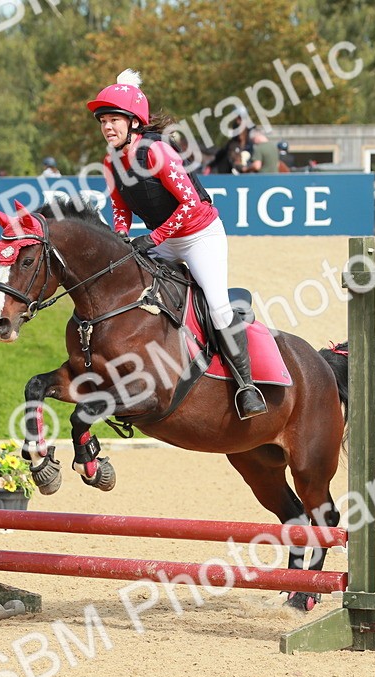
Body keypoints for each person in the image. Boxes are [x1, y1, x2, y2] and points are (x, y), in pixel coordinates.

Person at [87, 68, 267, 419]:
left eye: (114, 120)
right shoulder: (112, 161)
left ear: (133, 123)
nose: (107, 127)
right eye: (103, 121)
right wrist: (122, 239)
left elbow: (191, 205)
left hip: (200, 236)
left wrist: (152, 238)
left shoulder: (157, 152)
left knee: (217, 306)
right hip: (166, 239)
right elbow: (119, 207)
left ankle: (247, 386)